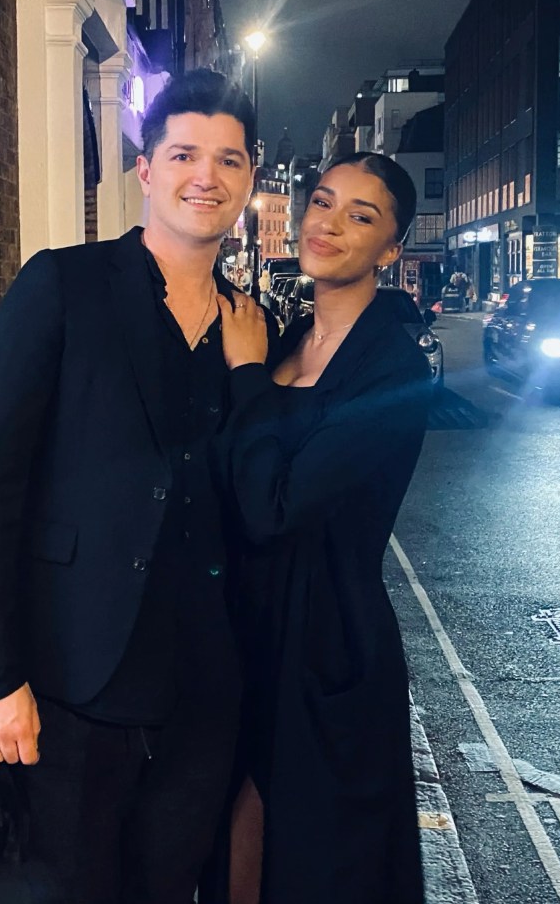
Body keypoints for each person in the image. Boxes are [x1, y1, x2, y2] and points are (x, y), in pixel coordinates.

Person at [0, 68, 276, 904]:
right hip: (71, 679)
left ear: (249, 176)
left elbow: (254, 492)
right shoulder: (63, 284)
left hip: (203, 687)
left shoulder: (251, 325)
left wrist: (249, 378)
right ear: (147, 168)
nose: (206, 176)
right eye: (184, 153)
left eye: (228, 159)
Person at [208, 152, 432, 903]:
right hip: (244, 627)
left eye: (360, 215)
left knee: (316, 857)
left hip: (325, 641)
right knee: (232, 832)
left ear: (391, 248)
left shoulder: (392, 369)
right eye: (323, 201)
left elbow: (275, 506)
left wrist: (244, 377)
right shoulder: (278, 336)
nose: (328, 223)